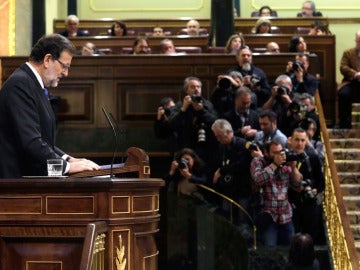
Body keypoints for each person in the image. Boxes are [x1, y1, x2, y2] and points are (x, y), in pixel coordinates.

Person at [0, 34, 100, 178]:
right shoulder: (20, 85)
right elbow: (31, 142)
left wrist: (68, 159)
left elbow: (42, 140)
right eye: (64, 66)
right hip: (16, 183)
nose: (66, 73)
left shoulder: (31, 83)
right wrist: (66, 167)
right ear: (47, 60)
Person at [251, 140, 303, 246]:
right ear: (266, 152)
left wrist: (293, 168)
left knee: (289, 248)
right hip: (268, 215)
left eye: (280, 152)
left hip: (286, 215)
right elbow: (258, 179)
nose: (279, 156)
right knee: (270, 250)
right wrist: (275, 164)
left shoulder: (285, 163)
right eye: (275, 153)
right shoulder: (258, 162)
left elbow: (298, 186)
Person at [211, 119, 254, 225]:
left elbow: (241, 165)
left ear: (229, 132)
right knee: (226, 219)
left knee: (242, 219)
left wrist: (222, 170)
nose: (218, 139)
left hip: (242, 189)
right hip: (227, 189)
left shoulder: (242, 145)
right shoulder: (221, 147)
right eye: (216, 137)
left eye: (220, 136)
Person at [168, 76, 218, 166]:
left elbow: (215, 122)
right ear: (186, 90)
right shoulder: (180, 105)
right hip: (185, 147)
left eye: (198, 87)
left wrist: (201, 110)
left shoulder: (207, 104)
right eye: (193, 87)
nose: (196, 89)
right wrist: (183, 109)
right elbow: (172, 125)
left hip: (205, 148)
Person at [287, 128, 325, 244]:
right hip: (290, 202)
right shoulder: (285, 156)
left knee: (311, 236)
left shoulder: (312, 157)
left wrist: (315, 190)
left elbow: (321, 181)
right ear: (291, 140)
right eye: (297, 140)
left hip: (309, 203)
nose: (299, 143)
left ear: (306, 141)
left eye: (302, 140)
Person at [338, 31, 360, 129]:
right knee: (343, 94)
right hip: (351, 83)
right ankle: (344, 123)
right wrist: (355, 74)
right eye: (358, 42)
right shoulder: (348, 53)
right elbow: (343, 67)